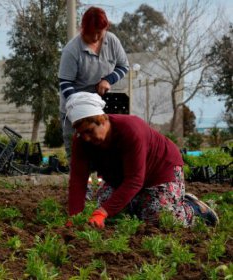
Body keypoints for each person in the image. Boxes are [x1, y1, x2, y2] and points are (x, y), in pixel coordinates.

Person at [65, 92, 219, 228]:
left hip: (160, 170)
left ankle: (195, 209)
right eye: (81, 133)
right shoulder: (81, 141)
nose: (86, 138)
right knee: (113, 216)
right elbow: (78, 180)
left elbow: (135, 180)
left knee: (157, 219)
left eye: (89, 131)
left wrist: (103, 212)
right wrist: (74, 217)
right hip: (123, 177)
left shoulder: (130, 129)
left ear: (102, 120)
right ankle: (142, 202)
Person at [58, 6, 129, 159]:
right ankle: (82, 182)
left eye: (100, 32)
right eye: (91, 33)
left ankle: (106, 182)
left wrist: (108, 80)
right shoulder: (71, 50)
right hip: (74, 108)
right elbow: (65, 82)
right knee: (78, 153)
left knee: (106, 149)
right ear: (82, 29)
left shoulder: (112, 41)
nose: (96, 37)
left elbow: (124, 66)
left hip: (101, 105)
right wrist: (81, 104)